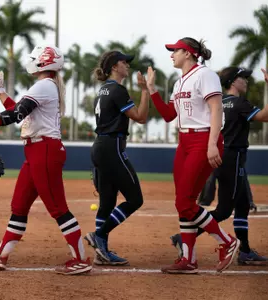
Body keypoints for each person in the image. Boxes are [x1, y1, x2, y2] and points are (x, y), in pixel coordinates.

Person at [0, 45, 92, 275]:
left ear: (44, 62)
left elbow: (16, 115)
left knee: (58, 208)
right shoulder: (47, 85)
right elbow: (20, 111)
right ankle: (1, 254)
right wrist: (1, 95)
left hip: (44, 149)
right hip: (36, 150)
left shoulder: (44, 84)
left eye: (36, 58)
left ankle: (81, 258)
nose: (32, 61)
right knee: (19, 205)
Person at [146, 37, 240, 274]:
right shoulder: (179, 83)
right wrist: (152, 90)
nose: (171, 55)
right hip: (184, 142)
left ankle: (227, 241)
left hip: (203, 140)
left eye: (175, 50)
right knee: (184, 202)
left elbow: (216, 108)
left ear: (188, 53)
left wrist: (212, 144)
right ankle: (188, 259)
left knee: (184, 202)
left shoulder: (205, 75)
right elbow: (168, 115)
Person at [170, 67, 268, 266]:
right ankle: (186, 237)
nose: (246, 81)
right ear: (233, 82)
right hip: (234, 159)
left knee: (242, 205)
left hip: (221, 156)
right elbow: (265, 116)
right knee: (224, 210)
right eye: (243, 78)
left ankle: (246, 251)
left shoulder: (218, 102)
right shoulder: (239, 103)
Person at [83, 50, 149, 266]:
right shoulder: (118, 90)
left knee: (107, 203)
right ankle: (99, 235)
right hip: (112, 147)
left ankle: (101, 252)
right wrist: (145, 90)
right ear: (114, 67)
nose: (127, 66)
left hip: (100, 147)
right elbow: (140, 117)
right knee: (135, 199)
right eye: (124, 62)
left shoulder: (102, 90)